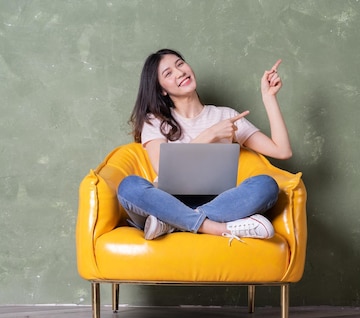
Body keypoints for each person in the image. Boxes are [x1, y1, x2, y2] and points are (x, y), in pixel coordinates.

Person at [117, 49, 292, 243]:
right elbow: (164, 169)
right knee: (129, 186)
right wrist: (210, 134)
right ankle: (215, 227)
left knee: (266, 185)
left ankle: (172, 224)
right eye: (168, 73)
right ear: (162, 89)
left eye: (180, 64)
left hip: (217, 203)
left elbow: (282, 150)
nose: (180, 72)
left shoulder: (225, 116)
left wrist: (269, 97)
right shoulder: (155, 121)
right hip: (166, 202)